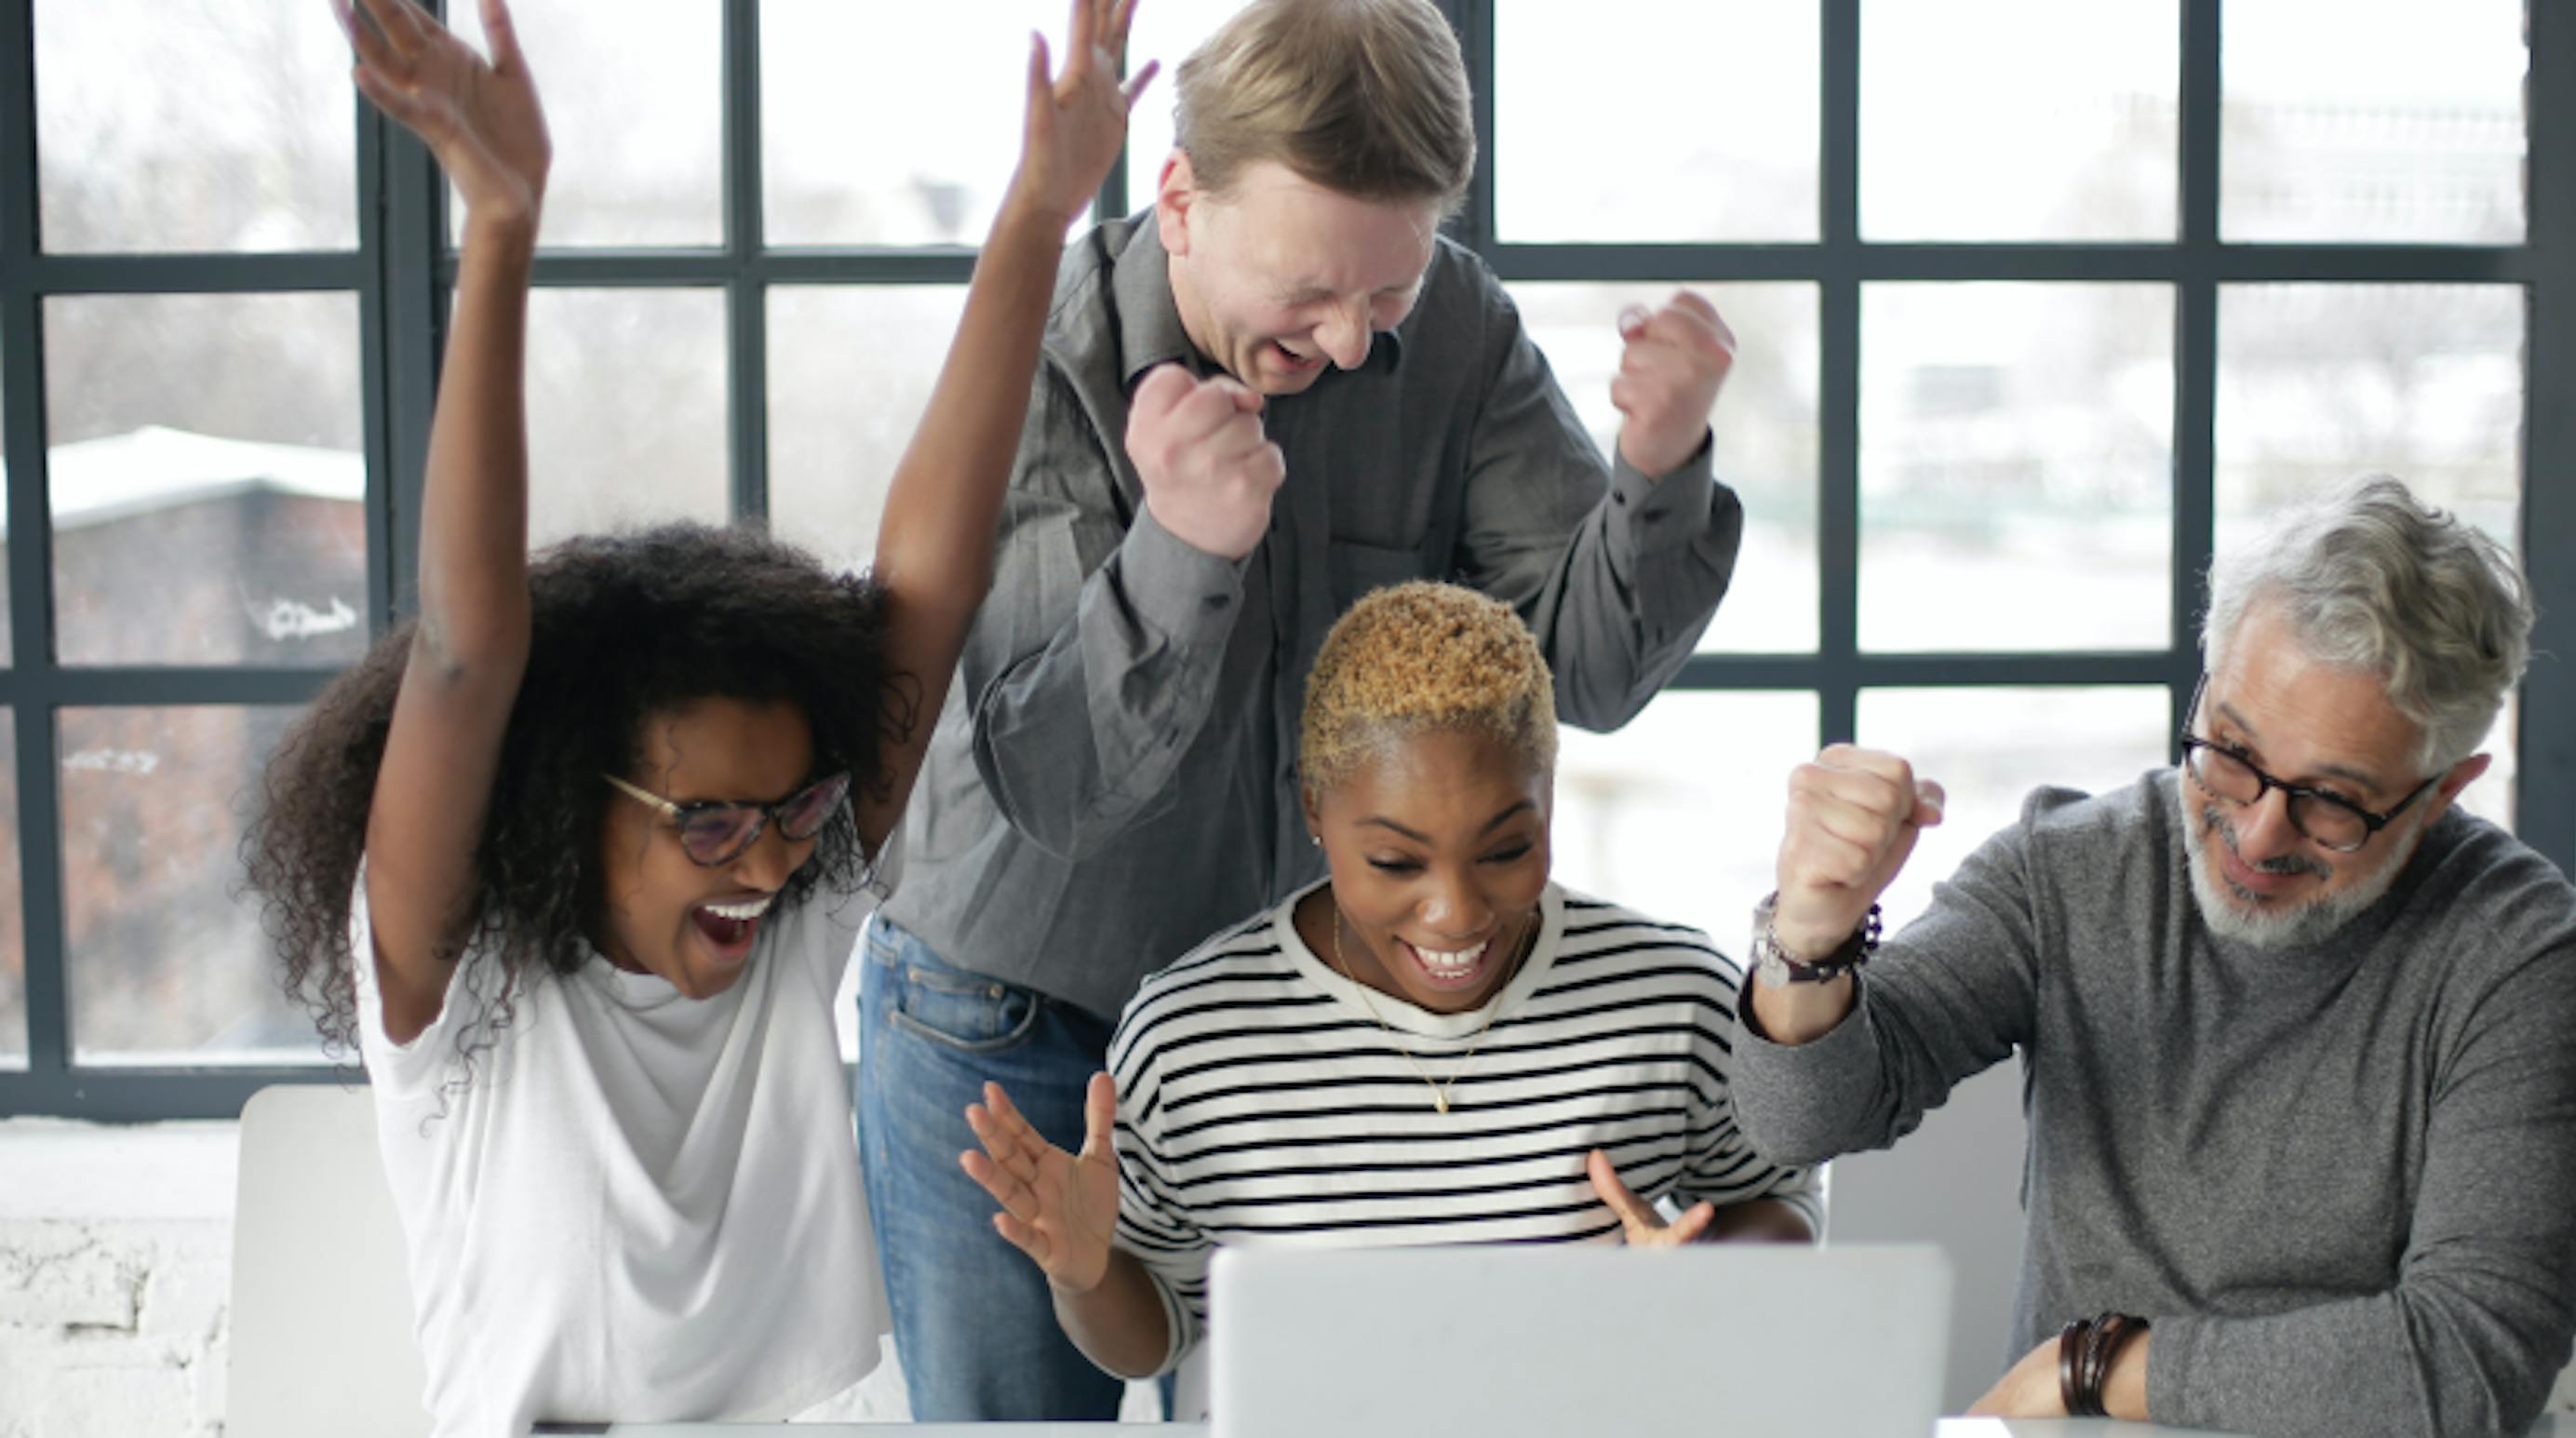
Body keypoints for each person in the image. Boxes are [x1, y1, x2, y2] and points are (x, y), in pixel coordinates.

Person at [241, 2, 1150, 1432]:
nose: (775, 860)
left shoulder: (792, 933)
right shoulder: (464, 997)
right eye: (712, 821)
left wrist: (1041, 210)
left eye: (795, 810)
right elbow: (471, 652)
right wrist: (498, 226)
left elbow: (929, 575)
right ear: (573, 803)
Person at [852, 0, 1747, 1420]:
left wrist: (1660, 462)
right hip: (1014, 1013)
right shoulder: (1049, 355)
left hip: (1281, 1033)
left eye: (1384, 296)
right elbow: (1050, 783)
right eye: (1310, 292)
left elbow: (1587, 671)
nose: (1344, 345)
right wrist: (1184, 551)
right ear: (1181, 199)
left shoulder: (1453, 333)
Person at [1729, 477, 2576, 1437]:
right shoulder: (2070, 867)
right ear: (2208, 683)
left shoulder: (2522, 956)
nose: (2256, 831)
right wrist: (1810, 934)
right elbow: (1799, 1120)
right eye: (2231, 749)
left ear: (2445, 789)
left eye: (2332, 799)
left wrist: (2092, 1367)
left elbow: (2472, 1365)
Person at [957, 581, 1818, 1409]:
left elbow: (1780, 1203)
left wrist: (1708, 1283)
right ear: (1316, 810)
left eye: (1506, 849)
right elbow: (1162, 1331)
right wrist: (1087, 1274)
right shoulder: (1192, 1037)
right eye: (1397, 862)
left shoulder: (1672, 996)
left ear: (1550, 801)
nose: (1457, 912)